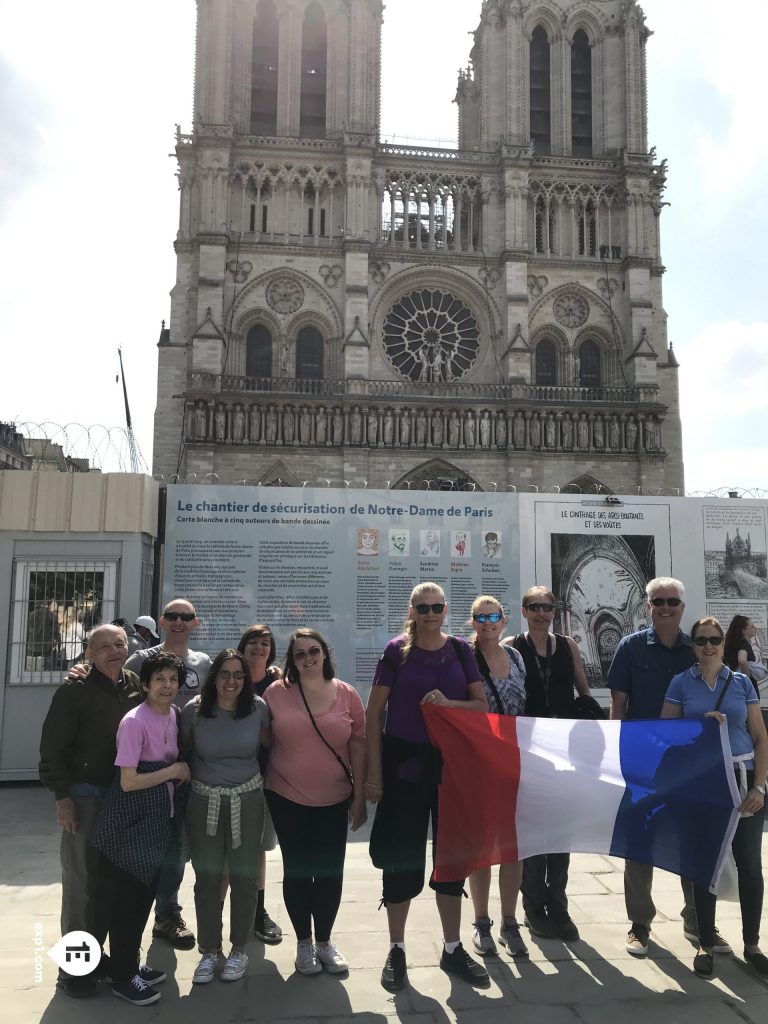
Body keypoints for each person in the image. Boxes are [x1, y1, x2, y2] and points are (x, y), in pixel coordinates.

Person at [366, 583, 489, 992]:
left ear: (445, 609)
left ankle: (452, 947)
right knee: (402, 857)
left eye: (437, 607)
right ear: (413, 610)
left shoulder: (460, 650)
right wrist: (373, 775)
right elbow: (373, 714)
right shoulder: (396, 651)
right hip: (404, 766)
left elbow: (480, 706)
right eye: (424, 607)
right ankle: (397, 947)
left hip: (453, 766)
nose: (431, 613)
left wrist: (448, 706)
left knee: (453, 856)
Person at [607, 577, 728, 957]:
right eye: (658, 601)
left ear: (681, 606)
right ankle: (639, 924)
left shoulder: (695, 649)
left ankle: (698, 923)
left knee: (693, 840)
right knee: (640, 840)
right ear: (647, 606)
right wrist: (617, 755)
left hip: (689, 762)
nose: (665, 607)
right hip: (644, 759)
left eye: (672, 601)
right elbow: (619, 705)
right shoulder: (629, 647)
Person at [661, 616, 768, 979]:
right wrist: (698, 728)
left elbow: (760, 737)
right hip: (703, 783)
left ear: (724, 642)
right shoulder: (681, 683)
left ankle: (752, 944)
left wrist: (759, 786)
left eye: (714, 639)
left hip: (743, 779)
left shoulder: (740, 683)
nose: (708, 646)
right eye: (701, 640)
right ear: (693, 645)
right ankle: (705, 942)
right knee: (704, 864)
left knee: (750, 864)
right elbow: (666, 736)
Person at [39, 623, 142, 998]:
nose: (114, 651)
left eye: (120, 644)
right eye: (104, 646)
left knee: (109, 886)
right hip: (83, 796)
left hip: (122, 796)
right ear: (89, 654)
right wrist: (62, 798)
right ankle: (74, 972)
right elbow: (52, 747)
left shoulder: (134, 684)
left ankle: (99, 959)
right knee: (81, 886)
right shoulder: (74, 690)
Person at [264, 629, 366, 976]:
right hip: (285, 795)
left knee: (328, 874)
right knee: (297, 870)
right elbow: (262, 736)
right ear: (291, 661)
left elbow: (358, 743)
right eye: (300, 654)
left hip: (334, 798)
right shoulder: (276, 693)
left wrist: (360, 795)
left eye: (313, 651)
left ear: (325, 653)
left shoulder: (346, 694)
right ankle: (303, 943)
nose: (307, 659)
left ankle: (324, 942)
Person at [91, 652, 191, 1005]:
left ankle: (128, 964)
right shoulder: (134, 721)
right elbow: (129, 781)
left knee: (143, 899)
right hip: (129, 824)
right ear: (145, 684)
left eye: (173, 679)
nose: (167, 686)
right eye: (159, 679)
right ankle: (121, 977)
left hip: (156, 824)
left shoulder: (174, 715)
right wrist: (174, 771)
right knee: (126, 903)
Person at [125, 598, 213, 950]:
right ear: (162, 621)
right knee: (142, 847)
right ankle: (130, 918)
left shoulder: (203, 663)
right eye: (172, 616)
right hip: (146, 764)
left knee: (176, 848)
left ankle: (166, 915)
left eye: (186, 617)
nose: (178, 621)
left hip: (187, 764)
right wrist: (82, 669)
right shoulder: (140, 659)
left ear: (195, 623)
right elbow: (115, 682)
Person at [508, 586, 592, 942]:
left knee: (562, 831)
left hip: (563, 748)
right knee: (534, 831)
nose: (542, 613)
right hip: (528, 749)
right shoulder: (513, 646)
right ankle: (533, 906)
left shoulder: (568, 646)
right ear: (524, 610)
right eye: (535, 607)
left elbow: (583, 692)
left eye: (547, 607)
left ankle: (558, 904)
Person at [181, 648, 270, 985]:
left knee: (245, 878)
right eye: (224, 674)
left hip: (247, 800)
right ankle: (208, 950)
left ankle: (239, 949)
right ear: (213, 676)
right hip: (205, 802)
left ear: (246, 680)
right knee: (207, 878)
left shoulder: (258, 709)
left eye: (238, 675)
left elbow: (269, 744)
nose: (231, 681)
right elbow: (184, 747)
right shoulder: (194, 711)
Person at [467, 596, 528, 960]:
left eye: (493, 616)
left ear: (503, 620)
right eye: (480, 617)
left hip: (513, 761)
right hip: (477, 763)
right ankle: (481, 922)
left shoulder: (516, 657)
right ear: (472, 622)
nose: (487, 622)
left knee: (513, 846)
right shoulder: (464, 657)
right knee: (481, 846)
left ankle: (509, 921)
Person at [237, 624, 283, 943]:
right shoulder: (230, 677)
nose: (258, 648)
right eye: (252, 642)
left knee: (257, 849)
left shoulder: (277, 683)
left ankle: (257, 911)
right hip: (229, 777)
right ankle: (228, 913)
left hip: (265, 777)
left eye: (265, 643)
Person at [724, 614, 761, 684]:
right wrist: (747, 678)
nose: (755, 628)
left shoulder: (733, 644)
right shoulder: (744, 645)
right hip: (744, 685)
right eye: (752, 627)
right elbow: (742, 660)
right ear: (744, 630)